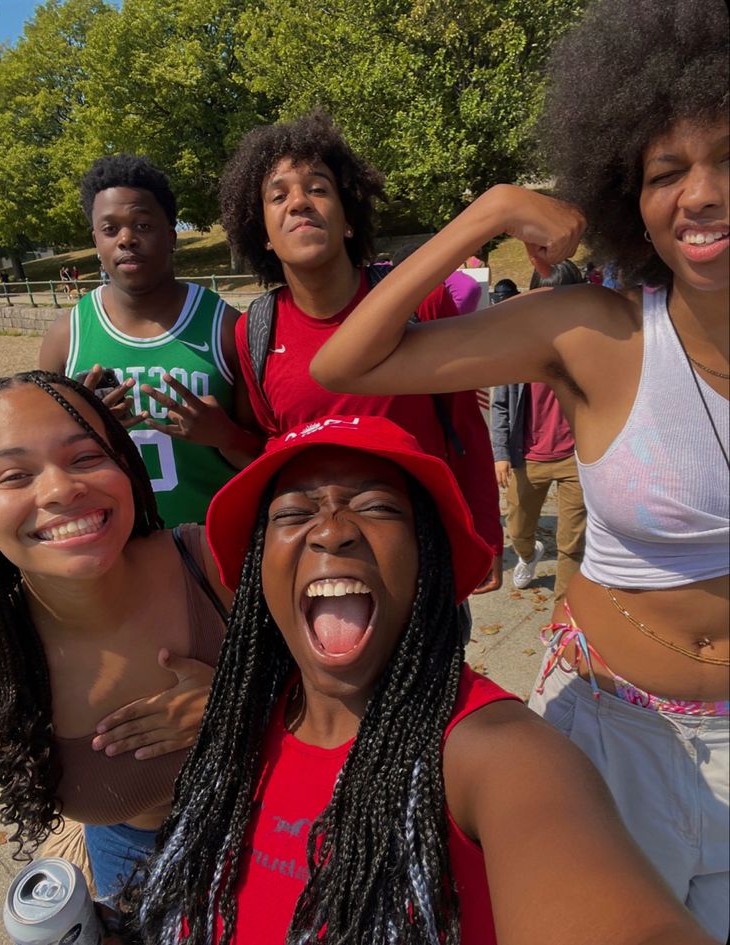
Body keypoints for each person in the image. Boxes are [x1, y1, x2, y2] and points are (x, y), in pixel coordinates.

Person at [310, 0, 729, 937]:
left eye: (728, 158)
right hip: (606, 739)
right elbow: (348, 363)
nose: (700, 193)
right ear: (634, 202)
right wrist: (493, 211)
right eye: (668, 172)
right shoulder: (592, 331)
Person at [126, 415, 712, 945]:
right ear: (258, 569)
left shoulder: (499, 756)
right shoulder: (233, 729)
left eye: (378, 507)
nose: (332, 530)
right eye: (294, 513)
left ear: (427, 559)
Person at [219, 112, 503, 592]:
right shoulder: (254, 332)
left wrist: (485, 538)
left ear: (349, 220)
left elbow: (465, 429)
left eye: (318, 188)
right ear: (263, 234)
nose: (299, 204)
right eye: (278, 194)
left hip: (421, 552)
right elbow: (276, 446)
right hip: (321, 562)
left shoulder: (421, 301)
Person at [0, 371, 232, 900]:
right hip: (126, 861)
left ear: (126, 465)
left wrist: (239, 701)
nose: (61, 489)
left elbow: (365, 694)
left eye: (85, 457)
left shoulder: (217, 563)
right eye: (12, 476)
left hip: (275, 833)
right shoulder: (1, 652)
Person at [39, 154, 259, 527]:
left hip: (213, 547)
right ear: (96, 240)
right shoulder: (67, 335)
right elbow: (42, 461)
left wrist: (225, 435)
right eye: (110, 229)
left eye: (142, 224)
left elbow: (263, 456)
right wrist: (85, 429)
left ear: (171, 235)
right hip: (113, 550)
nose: (126, 239)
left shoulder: (224, 326)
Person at [491, 260, 587, 604]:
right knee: (518, 529)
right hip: (527, 455)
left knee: (572, 543)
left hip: (577, 457)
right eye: (548, 296)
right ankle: (529, 555)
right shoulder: (518, 344)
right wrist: (500, 454)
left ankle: (565, 612)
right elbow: (500, 403)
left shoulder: (590, 342)